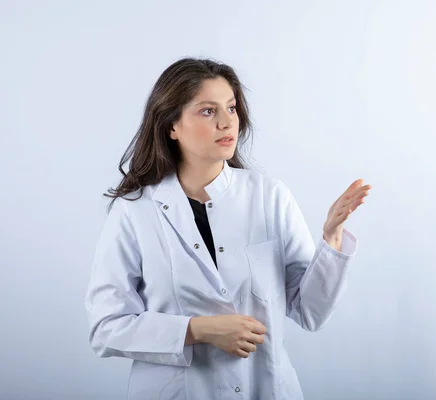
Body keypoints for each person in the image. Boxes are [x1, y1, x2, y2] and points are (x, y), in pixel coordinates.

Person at [84, 57, 371, 400]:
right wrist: (198, 330)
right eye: (208, 111)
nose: (226, 122)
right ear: (171, 126)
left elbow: (310, 312)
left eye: (231, 108)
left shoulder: (269, 196)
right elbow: (106, 327)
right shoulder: (134, 211)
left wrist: (331, 240)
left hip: (265, 388)